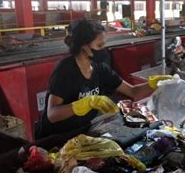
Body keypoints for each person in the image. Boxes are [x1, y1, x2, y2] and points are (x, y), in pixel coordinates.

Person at [36, 19, 171, 139]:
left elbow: (132, 91)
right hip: (57, 136)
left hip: (82, 131)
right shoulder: (65, 70)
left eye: (104, 45)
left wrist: (155, 83)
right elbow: (52, 115)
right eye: (99, 46)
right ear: (83, 46)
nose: (103, 50)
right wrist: (85, 103)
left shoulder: (100, 69)